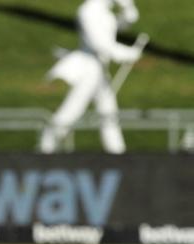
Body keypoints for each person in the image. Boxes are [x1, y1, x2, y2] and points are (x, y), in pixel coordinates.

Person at [39, 0, 143, 154]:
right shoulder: (87, 11)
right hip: (89, 70)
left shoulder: (105, 12)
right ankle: (46, 147)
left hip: (100, 71)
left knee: (109, 115)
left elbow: (117, 28)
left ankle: (118, 155)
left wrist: (128, 10)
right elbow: (99, 43)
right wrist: (127, 53)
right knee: (72, 111)